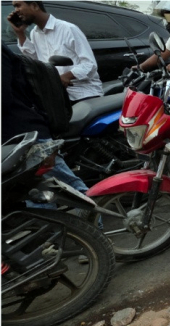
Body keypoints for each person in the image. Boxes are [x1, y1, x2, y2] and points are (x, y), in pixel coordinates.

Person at [2, 44, 88, 194]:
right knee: (33, 195)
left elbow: (3, 98)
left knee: (74, 192)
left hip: (25, 135)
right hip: (13, 137)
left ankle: (101, 208)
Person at [9, 0, 103, 103]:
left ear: (34, 6)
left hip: (82, 94)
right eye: (14, 7)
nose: (16, 11)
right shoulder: (35, 33)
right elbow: (35, 63)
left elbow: (90, 64)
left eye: (18, 6)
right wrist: (20, 33)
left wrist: (66, 76)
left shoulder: (68, 29)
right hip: (56, 95)